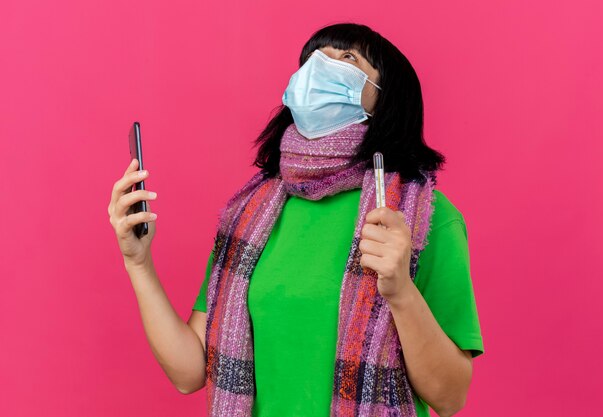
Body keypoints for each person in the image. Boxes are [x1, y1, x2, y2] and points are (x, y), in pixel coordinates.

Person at [109, 22, 484, 417]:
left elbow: (450, 396)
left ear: (386, 99)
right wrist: (138, 262)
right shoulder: (248, 218)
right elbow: (188, 371)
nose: (320, 68)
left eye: (347, 58)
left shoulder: (426, 219)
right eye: (313, 59)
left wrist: (402, 293)